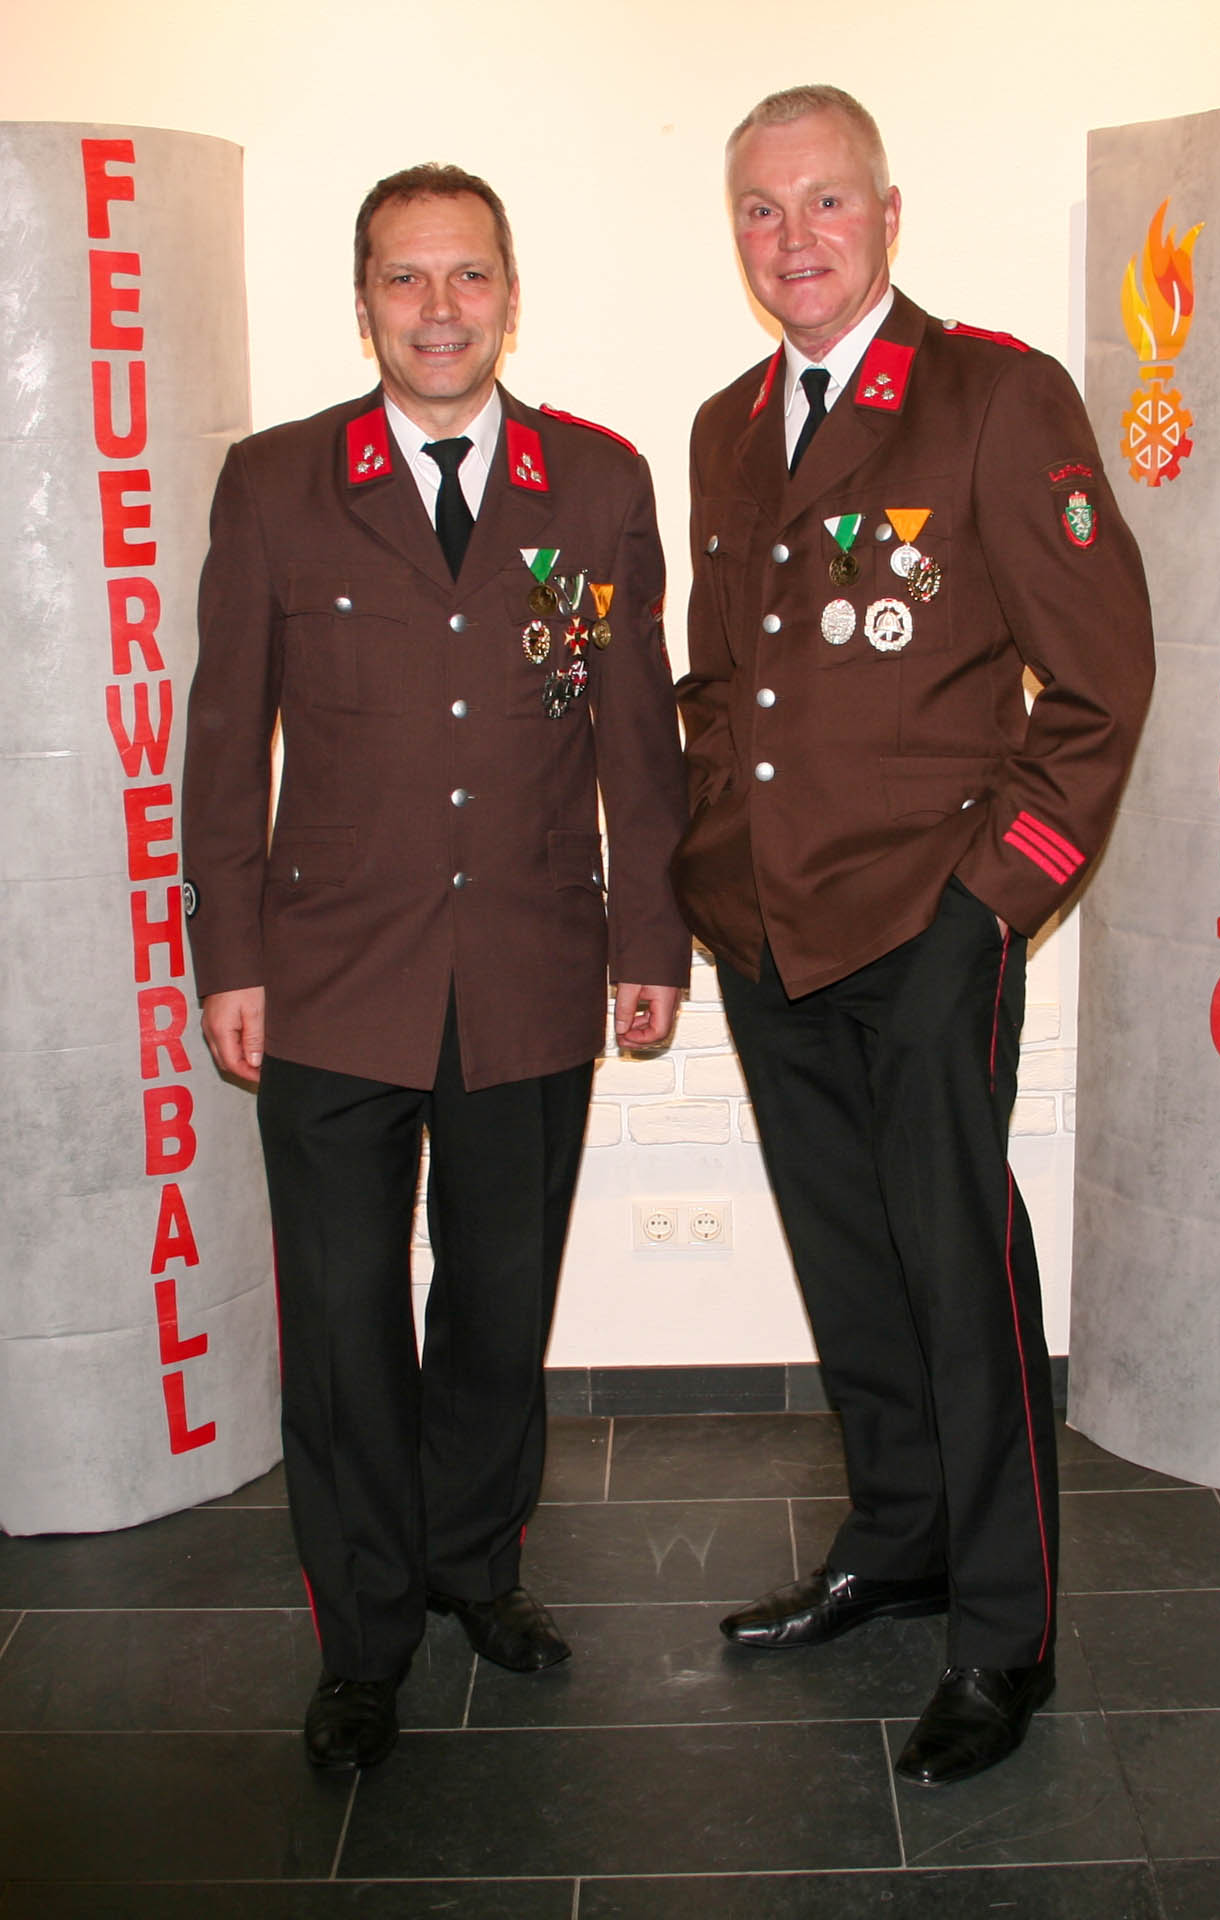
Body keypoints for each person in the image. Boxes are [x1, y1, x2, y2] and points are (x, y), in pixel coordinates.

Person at [671, 88, 1153, 1786]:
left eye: (825, 201)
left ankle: (1005, 1632)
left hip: (927, 920)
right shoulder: (728, 427)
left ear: (888, 212)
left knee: (962, 1276)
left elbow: (1101, 688)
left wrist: (989, 905)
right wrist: (702, 870)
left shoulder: (993, 397)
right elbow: (723, 684)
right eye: (760, 208)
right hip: (767, 930)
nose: (793, 237)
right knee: (849, 1263)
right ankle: (898, 1541)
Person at [182, 163, 689, 1771]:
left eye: (468, 275)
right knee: (343, 1329)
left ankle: (478, 1566)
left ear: (511, 297)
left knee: (496, 1305)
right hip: (329, 977)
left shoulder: (594, 483)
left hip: (531, 965)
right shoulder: (275, 483)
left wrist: (651, 937)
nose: (439, 309)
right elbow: (222, 739)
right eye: (405, 278)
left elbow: (638, 737)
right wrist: (229, 953)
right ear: (364, 305)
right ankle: (365, 1637)